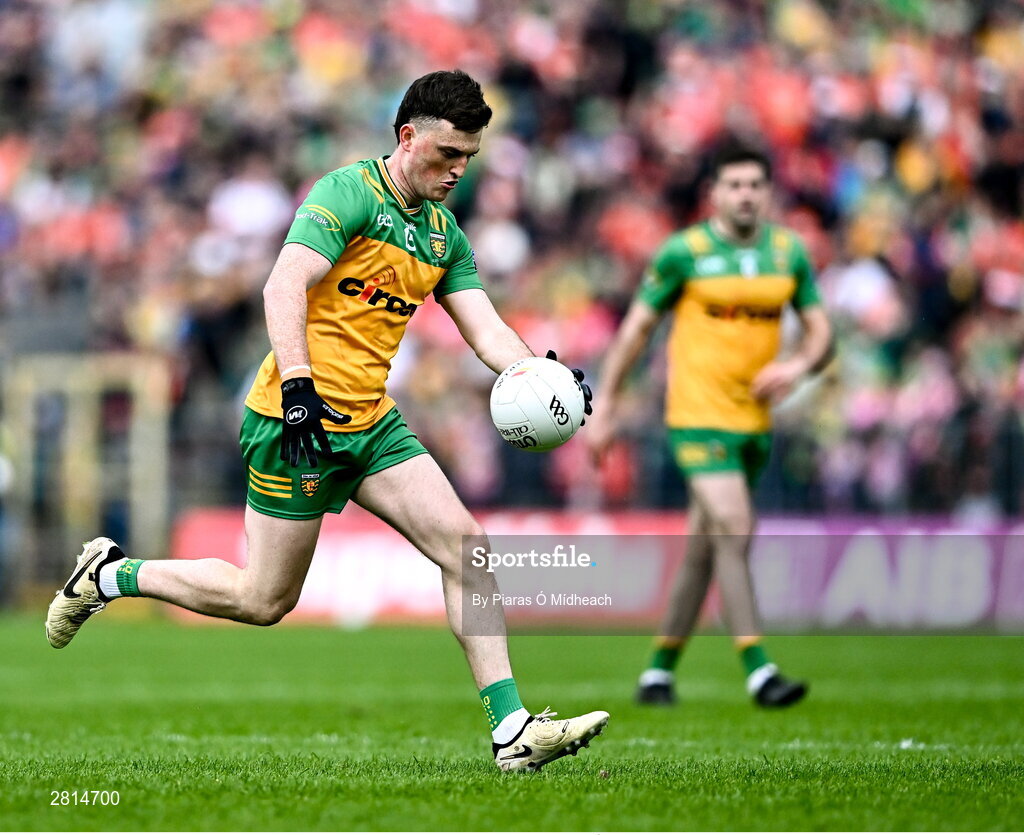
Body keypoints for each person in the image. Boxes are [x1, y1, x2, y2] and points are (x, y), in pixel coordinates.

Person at [46, 70, 607, 771]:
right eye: (448, 154)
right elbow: (283, 282)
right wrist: (300, 387)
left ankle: (511, 730)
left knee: (467, 546)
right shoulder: (348, 193)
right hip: (296, 417)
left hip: (370, 420)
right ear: (408, 138)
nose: (459, 170)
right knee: (264, 598)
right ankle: (108, 577)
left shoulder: (442, 236)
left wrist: (544, 378)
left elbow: (488, 332)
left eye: (470, 157)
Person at [586, 143, 833, 708]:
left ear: (768, 193)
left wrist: (796, 366)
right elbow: (635, 331)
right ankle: (759, 668)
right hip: (696, 416)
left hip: (754, 421)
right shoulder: (684, 253)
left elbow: (822, 333)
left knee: (705, 547)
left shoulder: (788, 254)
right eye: (734, 185)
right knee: (734, 525)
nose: (745, 194)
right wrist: (607, 406)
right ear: (714, 195)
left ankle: (658, 672)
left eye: (755, 185)